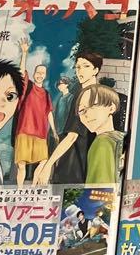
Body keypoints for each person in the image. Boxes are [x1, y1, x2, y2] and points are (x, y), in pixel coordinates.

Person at [34, 50, 104, 185]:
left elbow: (72, 135)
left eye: (86, 66)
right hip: (81, 160)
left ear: (95, 70)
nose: (80, 70)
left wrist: (48, 165)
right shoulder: (82, 93)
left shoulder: (88, 95)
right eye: (78, 67)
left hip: (77, 163)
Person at [14, 38, 57, 186]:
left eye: (42, 73)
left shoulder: (46, 94)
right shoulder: (28, 86)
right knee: (21, 164)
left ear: (45, 75)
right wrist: (24, 53)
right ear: (34, 74)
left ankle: (33, 187)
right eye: (38, 72)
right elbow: (21, 73)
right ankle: (19, 190)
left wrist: (54, 130)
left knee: (43, 160)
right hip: (24, 129)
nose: (40, 75)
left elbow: (49, 113)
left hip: (40, 133)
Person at [79, 83, 123, 184]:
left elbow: (98, 189)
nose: (87, 114)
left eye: (93, 105)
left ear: (111, 108)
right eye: (81, 110)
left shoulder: (101, 142)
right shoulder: (120, 137)